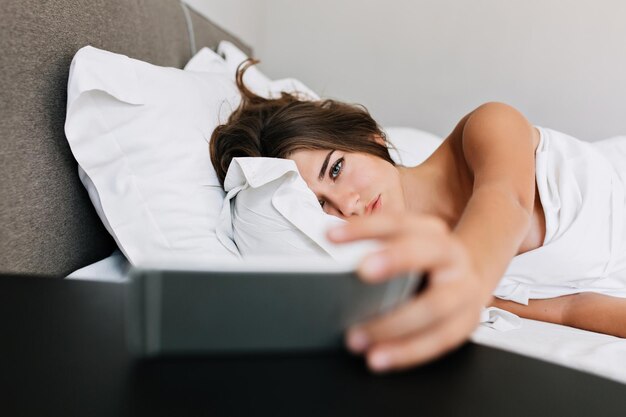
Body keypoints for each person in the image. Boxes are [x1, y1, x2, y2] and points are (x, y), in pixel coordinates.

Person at [210, 59, 626, 373]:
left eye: (335, 169)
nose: (347, 205)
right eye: (322, 206)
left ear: (368, 136)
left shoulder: (486, 127)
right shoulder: (440, 277)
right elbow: (573, 307)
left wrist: (466, 279)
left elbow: (507, 201)